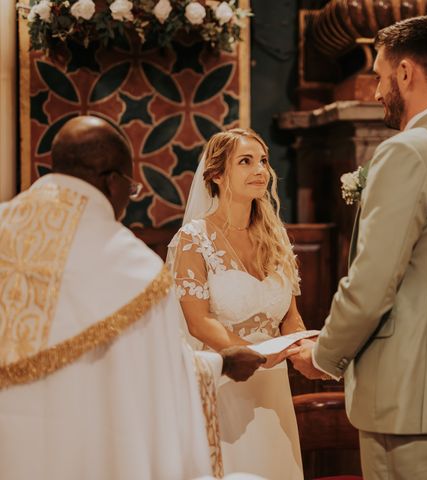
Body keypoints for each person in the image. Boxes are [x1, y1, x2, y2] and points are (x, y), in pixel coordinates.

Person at [289, 15, 427, 479]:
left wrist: (324, 356)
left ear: (405, 72)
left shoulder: (406, 152)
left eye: (381, 77)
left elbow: (371, 284)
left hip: (412, 396)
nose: (375, 91)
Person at [0, 116, 266, 480]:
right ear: (113, 182)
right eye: (132, 187)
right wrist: (219, 364)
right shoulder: (131, 271)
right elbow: (157, 384)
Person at [166, 128, 307, 479]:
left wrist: (302, 346)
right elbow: (198, 322)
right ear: (215, 175)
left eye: (263, 161)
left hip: (274, 384)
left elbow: (290, 316)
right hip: (227, 380)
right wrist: (251, 355)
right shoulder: (193, 240)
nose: (260, 170)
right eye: (245, 161)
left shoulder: (274, 237)